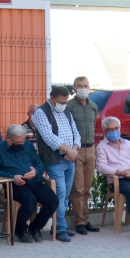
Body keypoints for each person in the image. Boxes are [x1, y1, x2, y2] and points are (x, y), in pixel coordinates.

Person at [0, 124, 57, 243]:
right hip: (14, 186)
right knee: (30, 201)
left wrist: (36, 172)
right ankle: (20, 229)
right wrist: (12, 177)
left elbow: (39, 164)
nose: (20, 144)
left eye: (22, 142)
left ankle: (35, 228)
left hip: (34, 182)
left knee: (53, 200)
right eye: (17, 142)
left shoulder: (28, 146)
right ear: (8, 139)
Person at [32, 85, 81, 242]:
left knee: (65, 194)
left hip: (69, 158)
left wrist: (73, 149)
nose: (63, 104)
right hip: (54, 160)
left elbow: (76, 132)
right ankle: (60, 229)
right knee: (59, 193)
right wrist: (68, 151)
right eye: (60, 102)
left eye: (65, 102)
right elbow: (48, 136)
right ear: (52, 98)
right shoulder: (41, 112)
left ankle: (59, 225)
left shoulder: (65, 111)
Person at [67, 76, 101, 235]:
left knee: (87, 187)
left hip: (91, 148)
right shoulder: (69, 106)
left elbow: (94, 126)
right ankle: (79, 221)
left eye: (85, 85)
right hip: (77, 149)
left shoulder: (93, 106)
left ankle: (85, 220)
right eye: (79, 86)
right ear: (74, 88)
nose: (83, 88)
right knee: (78, 188)